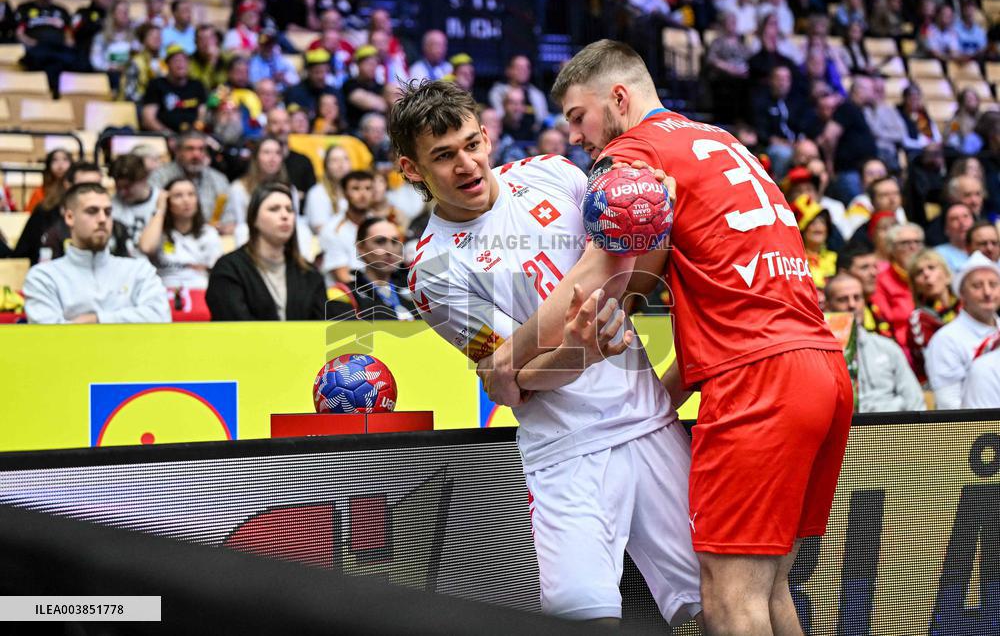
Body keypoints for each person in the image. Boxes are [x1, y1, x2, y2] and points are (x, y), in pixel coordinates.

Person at [497, 39, 850, 635]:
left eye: (579, 118)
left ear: (618, 98)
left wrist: (507, 355)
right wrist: (664, 394)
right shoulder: (720, 140)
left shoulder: (634, 152)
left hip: (757, 383)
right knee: (768, 590)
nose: (578, 137)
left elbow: (596, 271)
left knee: (729, 600)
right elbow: (724, 297)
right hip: (820, 368)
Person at [393, 80, 701, 626]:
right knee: (582, 617)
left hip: (651, 422)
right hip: (566, 450)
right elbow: (518, 381)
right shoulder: (432, 273)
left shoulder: (551, 174)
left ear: (487, 136)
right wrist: (583, 352)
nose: (466, 165)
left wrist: (651, 220)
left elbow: (624, 279)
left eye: (470, 144)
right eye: (443, 157)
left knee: (719, 597)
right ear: (411, 169)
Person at [23, 183, 171, 324]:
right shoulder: (43, 276)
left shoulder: (139, 270)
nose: (102, 219)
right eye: (92, 211)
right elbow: (47, 334)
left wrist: (96, 320)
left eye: (108, 212)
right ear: (69, 217)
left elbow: (160, 316)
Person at [206, 183, 326, 321]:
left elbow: (321, 328)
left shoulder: (309, 273)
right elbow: (233, 326)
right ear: (254, 219)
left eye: (289, 209)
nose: (285, 215)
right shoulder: (228, 269)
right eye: (274, 209)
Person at [825, 273, 925, 412]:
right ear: (828, 306)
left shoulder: (887, 347)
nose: (852, 305)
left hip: (894, 427)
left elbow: (915, 401)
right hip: (851, 430)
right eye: (843, 299)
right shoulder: (822, 355)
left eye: (857, 297)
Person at [925, 251, 1000, 409]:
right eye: (977, 286)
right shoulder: (946, 340)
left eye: (993, 284)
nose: (987, 292)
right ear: (962, 294)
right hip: (976, 429)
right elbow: (949, 405)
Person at [138, 177, 222, 291]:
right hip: (165, 292)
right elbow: (146, 247)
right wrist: (160, 210)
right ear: (168, 202)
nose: (186, 200)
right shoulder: (158, 232)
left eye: (191, 194)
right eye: (178, 195)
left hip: (200, 292)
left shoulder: (208, 233)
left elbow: (218, 270)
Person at [326, 217, 416, 321]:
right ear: (361, 248)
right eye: (380, 242)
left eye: (395, 242)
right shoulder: (344, 294)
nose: (390, 250)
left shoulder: (416, 287)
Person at [14, 0, 78, 95]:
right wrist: (31, 43)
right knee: (47, 61)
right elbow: (19, 33)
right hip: (37, 50)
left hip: (57, 51)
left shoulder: (62, 10)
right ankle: (53, 95)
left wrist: (68, 43)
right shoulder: (24, 8)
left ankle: (52, 95)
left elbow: (69, 36)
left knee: (65, 60)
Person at [148, 131, 231, 225]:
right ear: (178, 151)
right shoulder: (160, 177)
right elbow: (151, 213)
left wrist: (222, 226)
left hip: (212, 234)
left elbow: (229, 218)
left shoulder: (218, 179)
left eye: (201, 149)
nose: (196, 154)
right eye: (189, 149)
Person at [907, 249, 961, 384]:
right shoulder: (919, 319)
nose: (926, 274)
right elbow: (937, 360)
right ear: (915, 286)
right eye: (919, 272)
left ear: (947, 275)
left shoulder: (966, 304)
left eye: (931, 267)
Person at [871, 222, 925, 352]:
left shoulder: (930, 274)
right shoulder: (881, 280)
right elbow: (885, 322)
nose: (913, 247)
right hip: (902, 348)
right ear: (891, 249)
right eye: (905, 243)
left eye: (917, 242)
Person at [222, 137, 291, 237]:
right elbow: (237, 226)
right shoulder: (238, 189)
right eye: (267, 152)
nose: (273, 158)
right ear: (255, 158)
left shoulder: (289, 189)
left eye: (278, 153)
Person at [318, 170, 373, 285]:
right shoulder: (332, 230)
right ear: (344, 193)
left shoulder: (379, 225)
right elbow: (343, 277)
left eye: (368, 188)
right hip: (346, 295)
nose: (363, 194)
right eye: (356, 189)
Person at [140, 45, 207, 133]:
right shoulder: (156, 84)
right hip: (164, 137)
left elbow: (203, 115)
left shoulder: (197, 85)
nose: (180, 64)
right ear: (167, 64)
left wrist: (195, 133)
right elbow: (148, 119)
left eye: (183, 60)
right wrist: (168, 135)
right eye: (176, 61)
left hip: (193, 136)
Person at [488, 55, 550, 130]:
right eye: (519, 68)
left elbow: (542, 120)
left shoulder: (537, 94)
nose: (524, 71)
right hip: (505, 132)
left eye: (527, 68)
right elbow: (498, 116)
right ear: (509, 70)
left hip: (531, 135)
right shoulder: (498, 91)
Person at [108, 154, 160, 244]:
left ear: (144, 179)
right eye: (118, 187)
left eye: (127, 187)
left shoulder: (161, 201)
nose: (122, 192)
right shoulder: (110, 204)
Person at [304, 145, 351, 233]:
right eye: (335, 160)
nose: (341, 164)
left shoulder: (356, 191)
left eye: (345, 159)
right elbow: (320, 230)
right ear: (326, 166)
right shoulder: (317, 193)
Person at [24, 149, 72, 213]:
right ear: (49, 165)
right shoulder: (39, 192)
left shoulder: (75, 188)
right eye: (55, 160)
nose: (60, 164)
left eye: (65, 159)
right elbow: (29, 214)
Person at [933, 203, 974, 273]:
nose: (962, 222)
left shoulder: (989, 246)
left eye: (965, 216)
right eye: (954, 219)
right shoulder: (938, 254)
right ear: (946, 229)